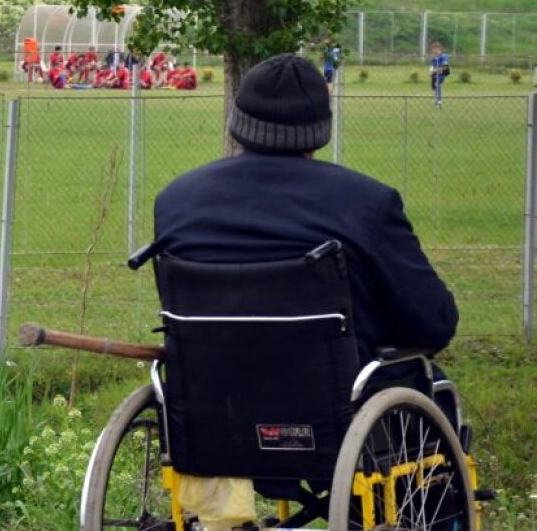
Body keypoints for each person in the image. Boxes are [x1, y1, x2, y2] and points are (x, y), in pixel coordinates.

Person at [153, 53, 457, 368]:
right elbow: (434, 322)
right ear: (319, 129)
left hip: (209, 393)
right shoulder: (366, 203)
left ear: (239, 122)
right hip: (336, 398)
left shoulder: (175, 201)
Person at [429, 41, 450, 107]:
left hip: (441, 74)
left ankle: (439, 102)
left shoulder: (443, 56)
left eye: (434, 49)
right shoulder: (434, 58)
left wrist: (437, 70)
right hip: (435, 74)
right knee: (434, 87)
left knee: (437, 85)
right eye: (432, 49)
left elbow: (445, 67)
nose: (433, 51)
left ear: (438, 49)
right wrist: (432, 70)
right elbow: (432, 66)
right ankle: (436, 100)